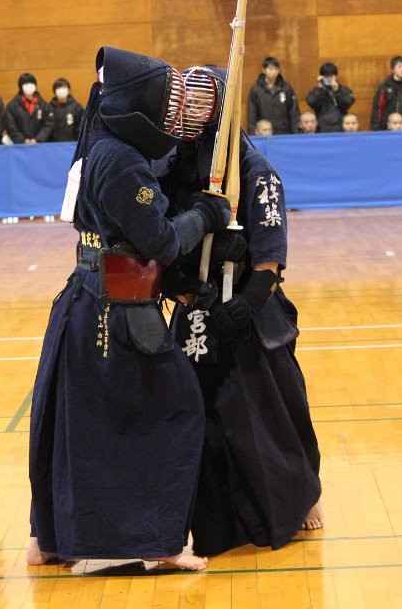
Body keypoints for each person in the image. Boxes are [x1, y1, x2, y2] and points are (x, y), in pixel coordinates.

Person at [27, 47, 232, 571]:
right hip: (115, 310)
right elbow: (161, 241)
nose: (174, 116)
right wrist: (206, 215)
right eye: (167, 106)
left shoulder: (103, 146)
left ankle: (50, 538)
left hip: (87, 303)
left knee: (74, 422)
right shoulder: (120, 160)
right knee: (177, 409)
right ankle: (157, 542)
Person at [158, 65, 322, 557]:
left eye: (202, 102)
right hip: (197, 309)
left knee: (275, 408)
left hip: (251, 310)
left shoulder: (256, 171)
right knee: (195, 412)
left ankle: (300, 494)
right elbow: (163, 243)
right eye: (186, 103)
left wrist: (245, 303)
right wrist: (185, 288)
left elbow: (271, 259)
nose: (192, 112)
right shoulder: (174, 169)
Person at [246, 57, 300, 135]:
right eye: (271, 69)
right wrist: (252, 135)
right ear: (264, 70)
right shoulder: (256, 90)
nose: (274, 72)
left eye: (276, 69)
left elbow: (294, 112)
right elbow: (252, 114)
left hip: (284, 131)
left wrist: (296, 134)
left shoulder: (286, 88)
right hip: (264, 132)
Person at [371, 56, 402, 130]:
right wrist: (377, 128)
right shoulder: (384, 87)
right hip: (386, 127)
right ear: (393, 70)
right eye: (399, 67)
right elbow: (378, 109)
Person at [305, 62, 355, 133]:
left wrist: (337, 91)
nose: (328, 79)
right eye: (326, 76)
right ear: (321, 77)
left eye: (330, 76)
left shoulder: (344, 90)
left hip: (340, 127)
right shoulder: (317, 91)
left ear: (335, 76)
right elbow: (311, 101)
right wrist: (320, 89)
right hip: (321, 128)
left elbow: (347, 103)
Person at [5, 73, 53, 144]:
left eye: (31, 83)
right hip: (20, 145)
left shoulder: (44, 105)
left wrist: (38, 139)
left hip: (40, 144)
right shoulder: (12, 106)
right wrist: (22, 140)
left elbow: (48, 124)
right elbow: (10, 125)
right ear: (20, 86)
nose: (29, 86)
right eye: (26, 84)